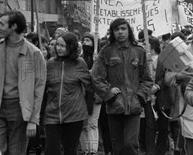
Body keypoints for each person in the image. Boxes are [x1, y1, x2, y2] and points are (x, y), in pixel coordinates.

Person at [0, 11, 46, 155]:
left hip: (20, 111)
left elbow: (38, 89)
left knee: (16, 152)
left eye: (2, 24)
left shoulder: (34, 53)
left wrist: (33, 119)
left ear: (14, 26)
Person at [92, 18, 153, 155]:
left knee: (131, 144)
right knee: (117, 147)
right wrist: (109, 94)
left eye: (123, 29)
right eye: (116, 29)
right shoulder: (105, 52)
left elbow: (147, 79)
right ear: (112, 32)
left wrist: (140, 97)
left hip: (134, 106)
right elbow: (96, 78)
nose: (120, 32)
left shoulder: (139, 51)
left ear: (128, 31)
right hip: (114, 107)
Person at [43, 32, 91, 155]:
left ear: (71, 46)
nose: (58, 48)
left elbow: (90, 85)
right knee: (52, 150)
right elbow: (43, 86)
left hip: (74, 115)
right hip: (52, 115)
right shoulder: (50, 63)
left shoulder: (80, 63)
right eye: (57, 45)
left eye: (62, 46)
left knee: (70, 150)